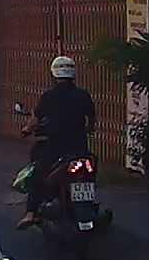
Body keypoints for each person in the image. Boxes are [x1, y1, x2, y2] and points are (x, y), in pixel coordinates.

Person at [17, 55, 96, 229]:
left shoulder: (49, 96)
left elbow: (35, 119)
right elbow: (91, 120)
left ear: (54, 74)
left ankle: (30, 212)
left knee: (37, 173)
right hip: (80, 149)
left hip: (56, 149)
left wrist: (26, 130)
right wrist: (87, 130)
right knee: (89, 172)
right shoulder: (83, 95)